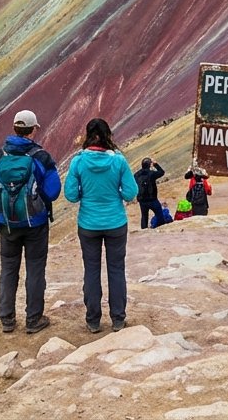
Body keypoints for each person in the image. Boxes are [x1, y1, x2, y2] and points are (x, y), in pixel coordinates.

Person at [0, 109, 61, 335]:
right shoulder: (41, 157)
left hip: (7, 223)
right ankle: (33, 319)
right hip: (35, 223)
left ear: (14, 128)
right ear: (33, 130)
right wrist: (36, 200)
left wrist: (9, 201)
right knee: (35, 269)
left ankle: (7, 318)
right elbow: (53, 191)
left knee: (8, 268)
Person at [64, 118, 138, 334]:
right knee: (116, 269)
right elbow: (131, 193)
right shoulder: (119, 161)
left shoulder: (78, 162)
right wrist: (116, 193)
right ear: (108, 136)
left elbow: (71, 195)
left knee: (91, 270)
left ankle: (93, 320)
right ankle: (118, 318)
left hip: (88, 223)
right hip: (115, 222)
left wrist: (85, 193)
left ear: (88, 136)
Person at [133, 156, 166, 229]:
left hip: (142, 199)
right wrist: (155, 164)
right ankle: (161, 227)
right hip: (152, 199)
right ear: (150, 165)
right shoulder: (152, 174)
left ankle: (144, 230)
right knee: (159, 214)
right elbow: (162, 172)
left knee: (144, 216)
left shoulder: (136, 175)